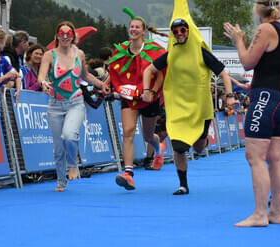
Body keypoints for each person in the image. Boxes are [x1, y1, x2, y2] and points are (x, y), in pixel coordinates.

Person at [143, 15, 234, 195]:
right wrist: (148, 90)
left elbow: (223, 73)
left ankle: (204, 140)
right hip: (178, 108)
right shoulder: (171, 54)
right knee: (178, 147)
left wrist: (230, 96)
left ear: (188, 31)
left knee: (199, 148)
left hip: (201, 109)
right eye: (175, 32)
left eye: (182, 30)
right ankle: (183, 185)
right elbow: (149, 70)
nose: (179, 34)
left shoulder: (201, 52)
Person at [224, 0, 280, 226]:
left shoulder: (265, 29)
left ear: (257, 9)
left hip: (266, 99)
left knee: (255, 157)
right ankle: (276, 212)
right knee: (274, 158)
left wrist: (239, 41)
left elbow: (247, 63)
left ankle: (259, 214)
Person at [38, 21, 109, 192]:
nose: (64, 36)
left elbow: (85, 76)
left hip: (75, 102)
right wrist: (43, 83)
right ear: (56, 36)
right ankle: (61, 181)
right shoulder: (49, 55)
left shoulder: (80, 54)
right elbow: (41, 76)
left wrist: (101, 85)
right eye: (61, 33)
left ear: (73, 36)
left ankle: (73, 163)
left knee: (69, 135)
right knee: (58, 147)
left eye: (68, 33)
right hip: (54, 104)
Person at [106, 7, 167, 190]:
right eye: (131, 27)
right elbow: (115, 70)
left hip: (149, 98)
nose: (133, 30)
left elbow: (162, 75)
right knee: (128, 131)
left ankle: (158, 148)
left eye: (137, 27)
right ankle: (128, 173)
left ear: (144, 31)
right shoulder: (122, 49)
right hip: (129, 98)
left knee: (148, 135)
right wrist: (106, 83)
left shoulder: (155, 50)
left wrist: (152, 93)